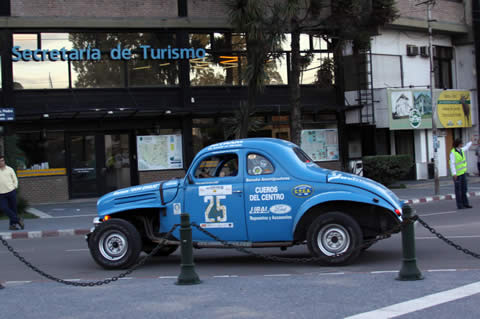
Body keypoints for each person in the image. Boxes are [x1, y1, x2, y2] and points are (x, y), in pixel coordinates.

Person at [0, 155, 23, 230]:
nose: (1, 162)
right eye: (0, 161)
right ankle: (18, 219)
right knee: (4, 208)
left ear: (4, 161)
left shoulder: (10, 169)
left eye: (2, 160)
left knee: (13, 209)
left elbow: (15, 179)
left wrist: (14, 187)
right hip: (1, 194)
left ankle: (12, 225)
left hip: (11, 192)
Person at [449, 137, 473, 209]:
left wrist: (471, 142)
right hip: (457, 175)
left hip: (462, 173)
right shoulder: (453, 153)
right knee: (458, 190)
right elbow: (452, 164)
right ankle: (460, 205)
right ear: (458, 144)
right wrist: (454, 174)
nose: (462, 144)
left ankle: (465, 203)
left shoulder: (461, 150)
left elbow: (466, 147)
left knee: (464, 189)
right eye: (461, 143)